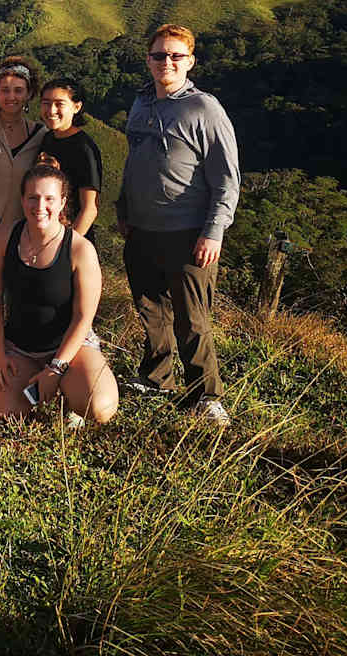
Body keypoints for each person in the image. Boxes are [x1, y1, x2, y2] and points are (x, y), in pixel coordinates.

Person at [117, 24, 240, 427]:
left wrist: (214, 230)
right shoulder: (141, 104)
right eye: (158, 55)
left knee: (193, 317)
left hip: (187, 231)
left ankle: (206, 394)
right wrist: (125, 210)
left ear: (190, 61)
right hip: (143, 229)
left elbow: (227, 178)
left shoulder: (205, 109)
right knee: (150, 308)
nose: (166, 62)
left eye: (175, 56)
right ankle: (157, 377)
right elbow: (135, 163)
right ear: (148, 60)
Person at [0, 165, 119, 425]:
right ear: (22, 200)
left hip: (70, 348)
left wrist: (56, 368)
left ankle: (69, 389)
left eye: (49, 199)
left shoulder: (79, 249)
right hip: (20, 347)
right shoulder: (3, 237)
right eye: (32, 197)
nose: (40, 206)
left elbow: (83, 317)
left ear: (63, 202)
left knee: (99, 408)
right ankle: (38, 384)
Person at [0, 56, 47, 232]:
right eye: (5, 90)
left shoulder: (40, 135)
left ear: (29, 94)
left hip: (19, 232)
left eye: (18, 90)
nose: (11, 97)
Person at [37, 78, 103, 244]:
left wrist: (67, 247)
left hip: (73, 241)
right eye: (46, 103)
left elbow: (89, 209)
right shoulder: (47, 139)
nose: (51, 110)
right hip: (45, 235)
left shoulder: (84, 148)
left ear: (77, 107)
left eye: (59, 104)